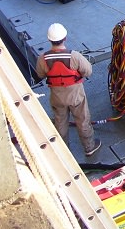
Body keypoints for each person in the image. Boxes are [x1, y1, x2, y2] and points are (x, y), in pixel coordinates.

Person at [35, 23, 101, 157]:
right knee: (83, 120)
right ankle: (89, 147)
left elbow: (40, 75)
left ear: (49, 40)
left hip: (57, 96)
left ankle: (63, 151)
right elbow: (88, 71)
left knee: (60, 122)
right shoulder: (74, 56)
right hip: (76, 95)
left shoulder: (43, 58)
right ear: (65, 38)